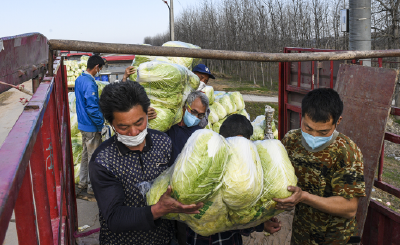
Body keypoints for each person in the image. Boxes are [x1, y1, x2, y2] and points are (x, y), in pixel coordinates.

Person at [90, 81, 203, 245]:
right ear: (112, 124)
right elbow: (114, 217)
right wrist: (158, 210)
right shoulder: (103, 160)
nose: (134, 132)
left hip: (165, 239)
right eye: (123, 127)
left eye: (139, 122)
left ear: (147, 113)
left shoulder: (163, 142)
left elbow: (178, 185)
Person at [275, 88, 366, 245]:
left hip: (335, 238)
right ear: (301, 117)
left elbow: (350, 208)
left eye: (323, 132)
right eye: (308, 128)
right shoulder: (291, 140)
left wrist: (304, 197)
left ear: (338, 122)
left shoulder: (346, 151)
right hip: (301, 234)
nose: (314, 136)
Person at [184, 114, 282, 245]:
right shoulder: (235, 169)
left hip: (200, 237)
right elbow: (234, 217)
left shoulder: (205, 156)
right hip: (217, 239)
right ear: (248, 140)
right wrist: (259, 226)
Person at [164, 91, 208, 245]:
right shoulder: (168, 128)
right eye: (193, 112)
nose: (196, 117)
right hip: (165, 190)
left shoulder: (199, 134)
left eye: (200, 115)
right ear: (184, 107)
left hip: (185, 193)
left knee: (183, 234)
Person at [75, 55, 105, 195]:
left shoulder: (79, 79)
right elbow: (92, 107)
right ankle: (92, 188)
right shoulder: (90, 83)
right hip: (91, 126)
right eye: (100, 68)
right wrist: (101, 124)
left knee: (86, 155)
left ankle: (82, 183)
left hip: (82, 124)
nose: (100, 71)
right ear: (97, 67)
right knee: (94, 158)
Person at [193, 64, 215, 128]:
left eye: (206, 81)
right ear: (192, 74)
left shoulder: (202, 98)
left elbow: (203, 122)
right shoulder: (182, 92)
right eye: (201, 78)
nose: (203, 82)